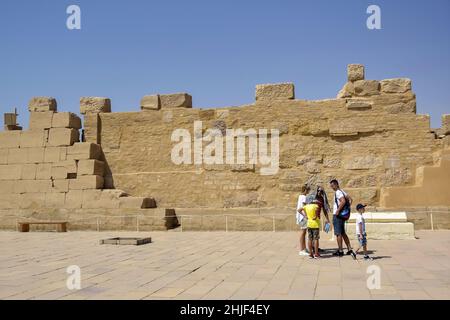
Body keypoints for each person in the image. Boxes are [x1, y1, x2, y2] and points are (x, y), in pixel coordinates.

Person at [329, 179, 356, 259]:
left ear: (337, 184)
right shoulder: (343, 191)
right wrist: (346, 209)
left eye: (333, 185)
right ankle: (349, 249)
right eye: (331, 186)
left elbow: (343, 201)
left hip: (338, 215)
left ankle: (340, 251)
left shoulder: (338, 192)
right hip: (342, 215)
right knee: (343, 233)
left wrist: (338, 210)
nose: (332, 187)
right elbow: (350, 200)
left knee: (338, 233)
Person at [301, 195, 321, 259]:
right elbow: (317, 212)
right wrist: (315, 216)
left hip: (309, 224)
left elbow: (299, 210)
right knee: (316, 239)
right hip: (315, 224)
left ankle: (310, 253)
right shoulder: (315, 206)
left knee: (310, 239)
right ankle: (316, 253)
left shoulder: (306, 206)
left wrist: (305, 215)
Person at [296, 184, 311, 256]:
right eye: (308, 190)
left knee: (304, 233)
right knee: (303, 233)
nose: (308, 192)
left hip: (300, 216)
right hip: (303, 217)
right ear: (305, 190)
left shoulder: (300, 196)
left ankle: (304, 248)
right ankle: (302, 249)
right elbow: (304, 207)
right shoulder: (304, 197)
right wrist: (306, 216)